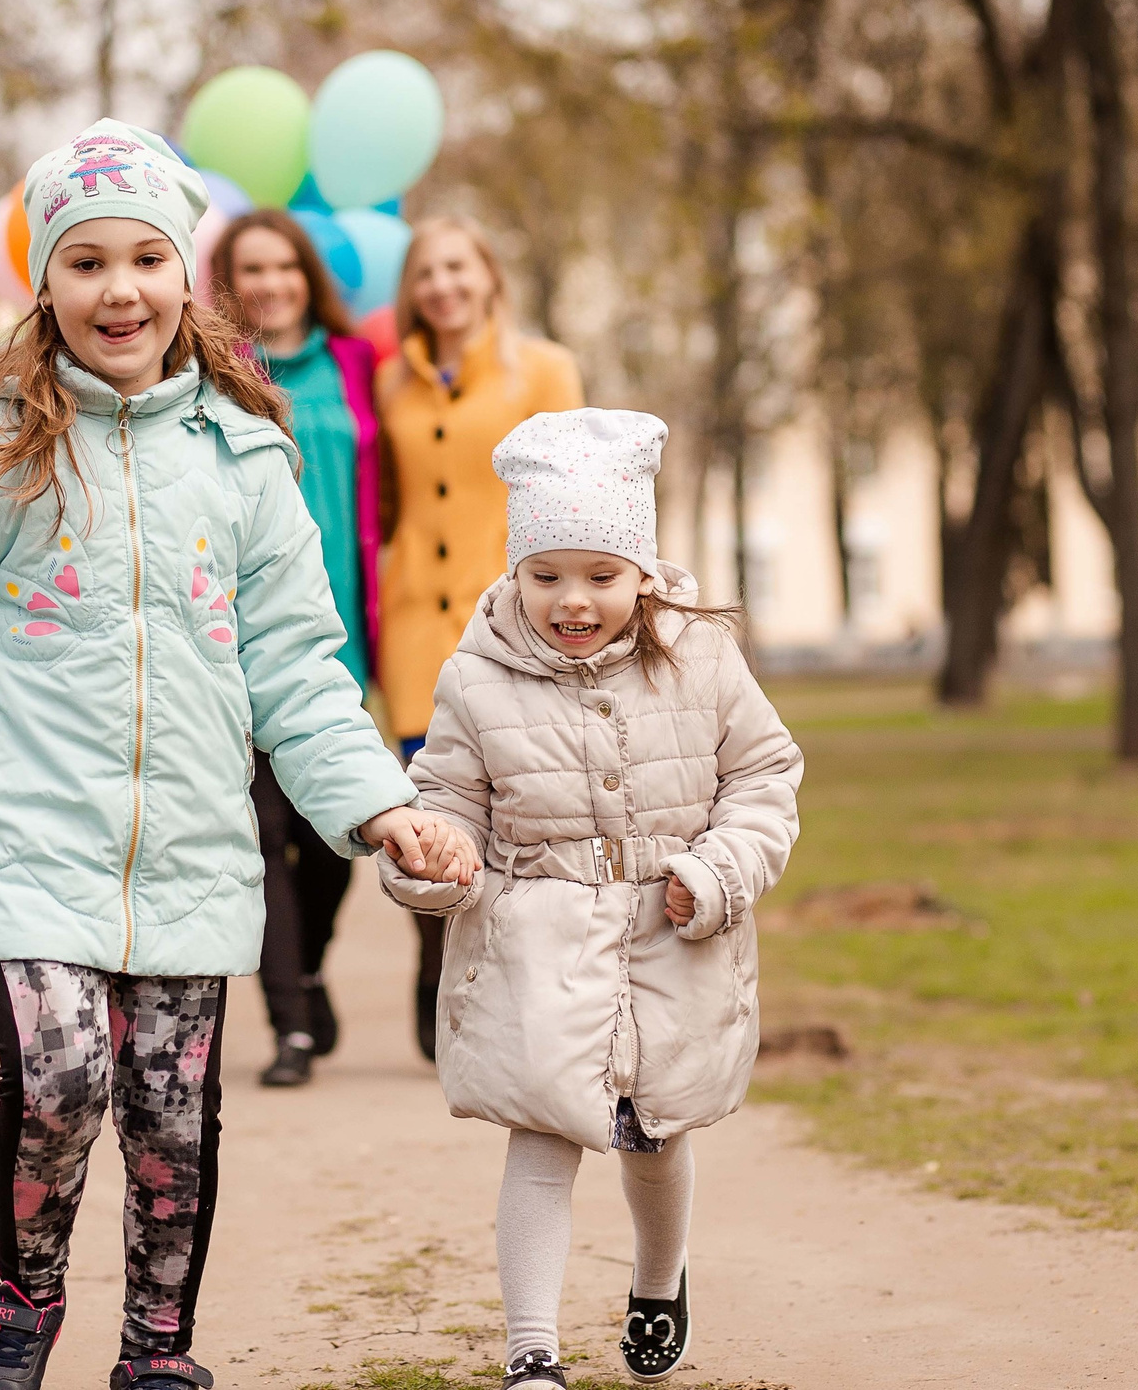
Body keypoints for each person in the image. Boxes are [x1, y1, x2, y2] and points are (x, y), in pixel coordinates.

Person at [0, 120, 478, 1390]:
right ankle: (23, 1304)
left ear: (185, 276)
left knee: (170, 1120)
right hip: (18, 824)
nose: (119, 289)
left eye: (146, 258)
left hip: (188, 840)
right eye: (85, 263)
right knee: (63, 1072)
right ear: (46, 283)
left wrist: (380, 807)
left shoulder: (244, 457)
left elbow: (298, 665)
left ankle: (157, 1354)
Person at [380, 408, 803, 1389]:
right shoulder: (475, 676)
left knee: (654, 1130)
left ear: (642, 574)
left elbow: (763, 776)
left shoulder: (698, 659)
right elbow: (445, 801)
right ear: (516, 571)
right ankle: (531, 1349)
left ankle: (658, 1280)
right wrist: (428, 857)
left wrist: (717, 871)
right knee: (544, 1132)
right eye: (546, 575)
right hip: (538, 934)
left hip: (670, 930)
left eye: (601, 577)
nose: (573, 600)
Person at [374, 217, 583, 1058]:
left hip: (515, 622)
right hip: (419, 623)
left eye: (457, 267)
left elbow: (579, 495)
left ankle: (534, 993)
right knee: (433, 812)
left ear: (488, 274)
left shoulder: (545, 367)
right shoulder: (392, 380)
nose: (442, 286)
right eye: (426, 272)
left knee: (527, 812)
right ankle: (437, 969)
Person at [208, 209, 385, 1089]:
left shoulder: (358, 368)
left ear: (308, 276)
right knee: (263, 829)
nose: (270, 284)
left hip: (346, 632)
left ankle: (308, 971)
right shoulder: (202, 374)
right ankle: (292, 1026)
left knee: (329, 831)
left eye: (284, 266)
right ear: (226, 286)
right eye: (251, 270)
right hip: (236, 639)